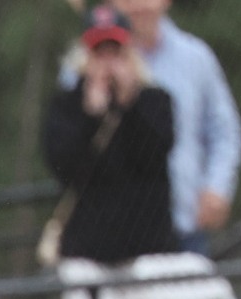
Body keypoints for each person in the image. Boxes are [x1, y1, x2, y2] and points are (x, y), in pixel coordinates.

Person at [42, 7, 178, 265]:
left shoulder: (155, 101)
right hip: (87, 250)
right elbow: (64, 166)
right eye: (99, 54)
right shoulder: (66, 107)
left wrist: (128, 105)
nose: (107, 64)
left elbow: (154, 156)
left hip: (148, 248)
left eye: (115, 53)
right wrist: (91, 117)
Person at [111, 0, 241, 259]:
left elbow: (224, 133)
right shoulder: (85, 64)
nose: (138, 6)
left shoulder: (196, 58)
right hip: (113, 235)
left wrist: (217, 187)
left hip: (184, 227)